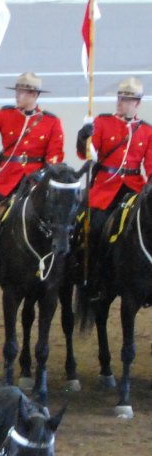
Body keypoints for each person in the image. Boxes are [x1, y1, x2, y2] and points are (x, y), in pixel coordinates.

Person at [0, 71, 65, 255]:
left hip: (35, 181)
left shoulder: (52, 122)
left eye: (23, 92)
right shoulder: (6, 114)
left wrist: (42, 175)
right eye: (17, 91)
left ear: (34, 95)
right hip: (6, 178)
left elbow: (55, 157)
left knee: (59, 219)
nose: (17, 95)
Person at [76, 77, 151, 297]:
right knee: (95, 227)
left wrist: (149, 188)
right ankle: (95, 276)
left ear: (137, 103)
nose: (121, 102)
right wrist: (84, 138)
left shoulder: (146, 131)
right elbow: (88, 154)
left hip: (134, 188)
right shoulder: (102, 122)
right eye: (120, 98)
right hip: (105, 188)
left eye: (126, 99)